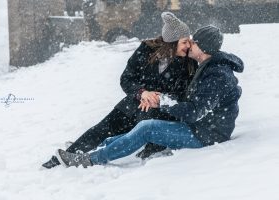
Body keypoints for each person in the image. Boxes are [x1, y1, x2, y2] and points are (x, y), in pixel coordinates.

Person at [55, 25, 244, 168]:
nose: (190, 45)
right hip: (199, 127)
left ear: (203, 48)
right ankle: (94, 149)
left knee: (147, 128)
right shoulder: (208, 66)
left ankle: (88, 160)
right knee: (138, 126)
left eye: (193, 42)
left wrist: (162, 101)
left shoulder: (217, 74)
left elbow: (194, 111)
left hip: (207, 134)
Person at [42, 12, 198, 169]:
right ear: (171, 42)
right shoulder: (146, 49)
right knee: (103, 128)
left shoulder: (188, 63)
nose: (188, 46)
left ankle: (98, 154)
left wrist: (158, 99)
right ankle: (66, 157)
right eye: (184, 41)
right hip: (134, 102)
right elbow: (126, 78)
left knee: (131, 134)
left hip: (159, 111)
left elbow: (183, 94)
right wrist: (142, 93)